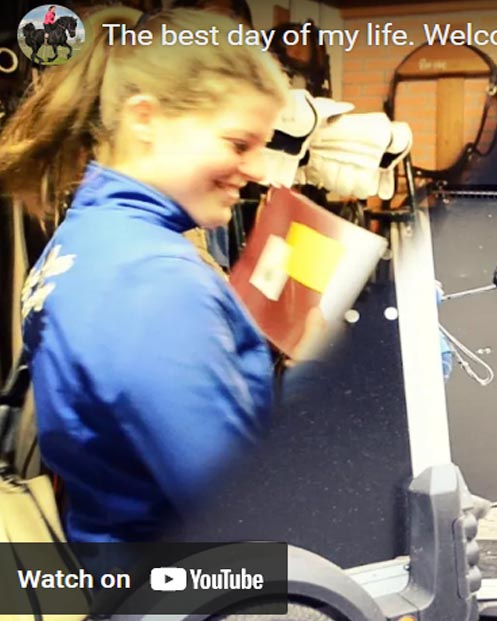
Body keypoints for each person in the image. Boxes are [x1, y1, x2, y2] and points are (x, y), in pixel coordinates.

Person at [0, 7, 290, 544]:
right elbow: (247, 516)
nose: (258, 170)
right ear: (145, 119)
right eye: (238, 143)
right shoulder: (152, 281)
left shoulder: (79, 242)